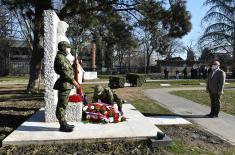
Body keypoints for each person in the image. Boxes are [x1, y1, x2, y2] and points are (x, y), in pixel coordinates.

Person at [53, 41, 82, 132]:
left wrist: (74, 64)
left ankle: (64, 123)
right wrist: (74, 81)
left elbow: (67, 70)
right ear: (63, 48)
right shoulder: (60, 58)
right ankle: (62, 124)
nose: (69, 49)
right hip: (64, 84)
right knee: (62, 104)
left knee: (63, 104)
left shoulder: (63, 57)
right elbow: (65, 72)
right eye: (67, 47)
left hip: (66, 84)